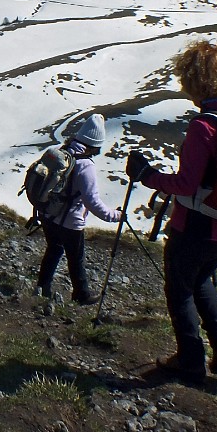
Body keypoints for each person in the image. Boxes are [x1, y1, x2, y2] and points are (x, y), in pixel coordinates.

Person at [126, 38, 217, 385]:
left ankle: (190, 361)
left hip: (195, 225)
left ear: (194, 82)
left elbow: (187, 184)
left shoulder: (203, 127)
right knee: (201, 280)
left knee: (179, 290)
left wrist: (148, 175)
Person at [37, 113, 123, 306]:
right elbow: (92, 202)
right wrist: (116, 216)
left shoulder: (58, 151)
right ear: (95, 144)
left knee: (53, 250)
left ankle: (42, 287)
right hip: (70, 221)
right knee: (76, 259)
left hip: (48, 214)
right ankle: (81, 294)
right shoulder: (86, 166)